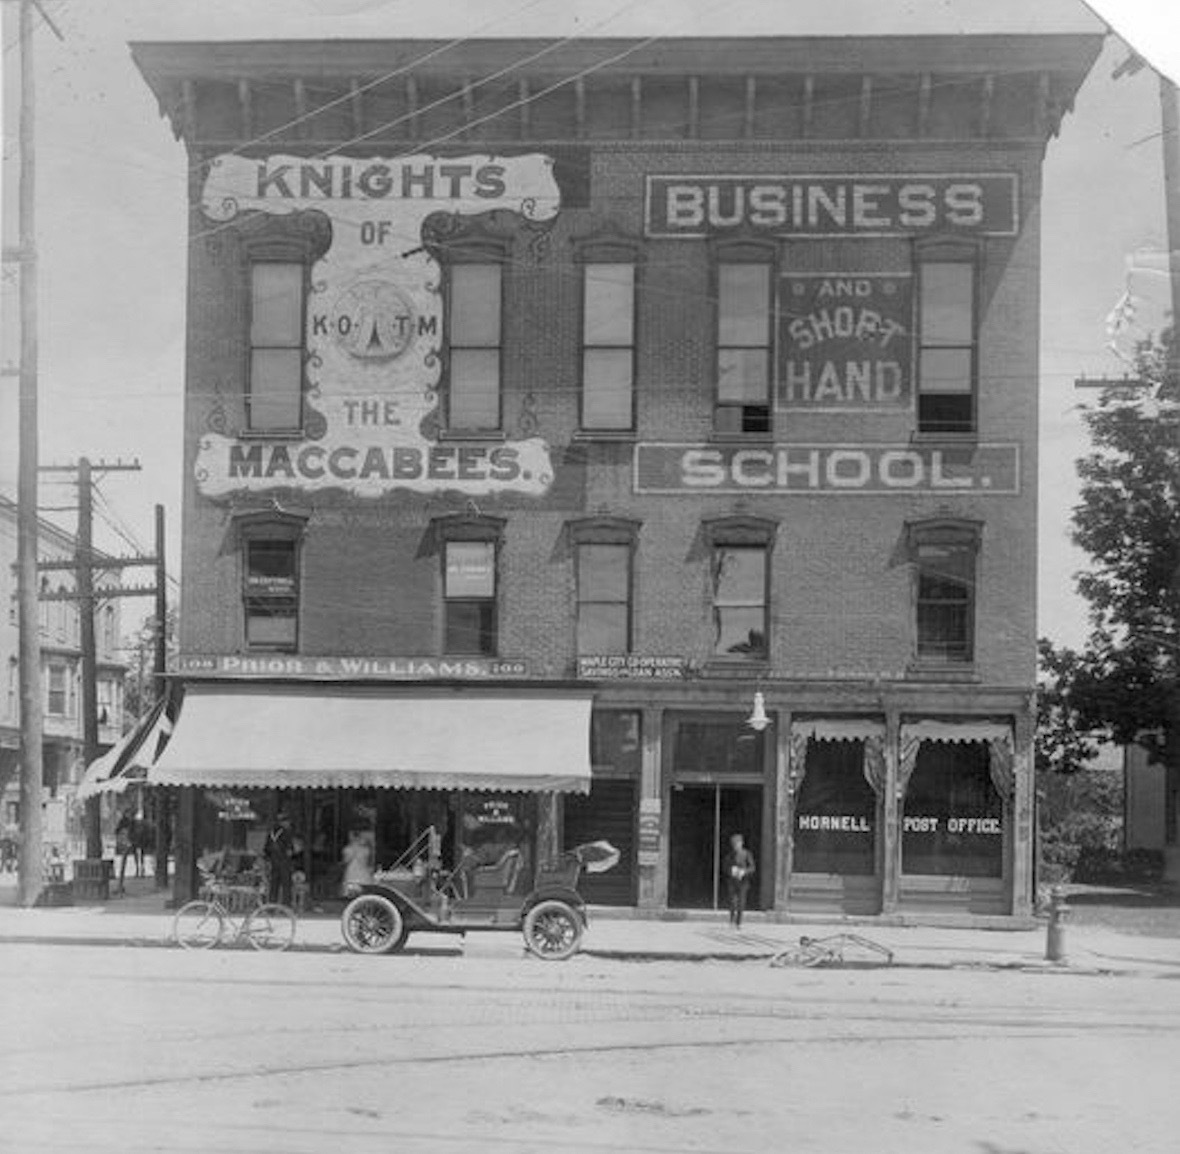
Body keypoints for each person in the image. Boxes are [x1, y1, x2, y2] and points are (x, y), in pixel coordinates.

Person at [722, 832, 756, 929]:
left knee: (741, 902)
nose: (735, 846)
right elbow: (725, 867)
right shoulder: (729, 856)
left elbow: (752, 867)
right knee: (732, 902)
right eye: (734, 844)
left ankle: (739, 922)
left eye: (737, 844)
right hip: (732, 881)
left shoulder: (746, 854)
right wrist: (731, 871)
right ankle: (732, 920)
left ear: (741, 843)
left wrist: (744, 872)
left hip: (743, 882)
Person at [264, 811, 296, 906]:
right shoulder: (287, 832)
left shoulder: (271, 833)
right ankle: (286, 905)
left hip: (274, 861)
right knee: (286, 884)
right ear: (284, 822)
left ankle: (272, 905)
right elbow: (290, 850)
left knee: (274, 884)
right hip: (284, 861)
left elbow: (266, 849)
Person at [340, 828, 374, 896]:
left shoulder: (347, 850)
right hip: (364, 875)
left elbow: (345, 862)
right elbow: (369, 863)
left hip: (351, 875)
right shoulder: (366, 850)